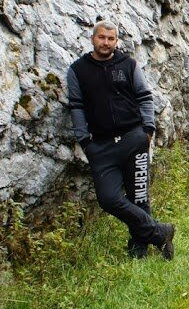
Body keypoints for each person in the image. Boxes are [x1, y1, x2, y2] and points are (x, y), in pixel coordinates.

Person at [66, 20, 175, 260]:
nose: (106, 43)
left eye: (111, 39)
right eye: (102, 38)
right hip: (101, 146)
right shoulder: (78, 70)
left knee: (139, 196)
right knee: (108, 199)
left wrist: (147, 130)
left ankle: (138, 251)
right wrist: (85, 142)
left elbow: (145, 96)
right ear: (93, 38)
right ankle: (160, 232)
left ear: (116, 41)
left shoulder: (128, 64)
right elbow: (76, 107)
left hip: (133, 139)